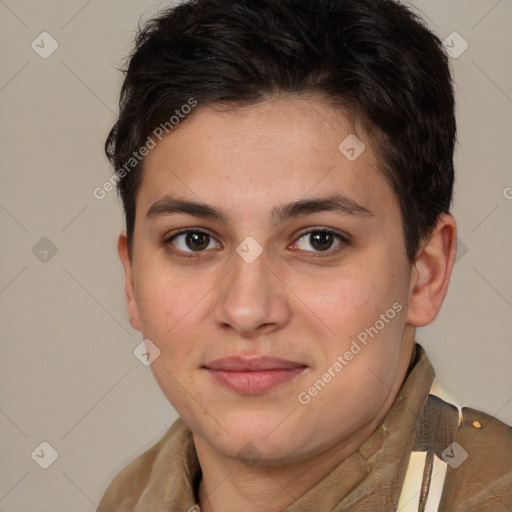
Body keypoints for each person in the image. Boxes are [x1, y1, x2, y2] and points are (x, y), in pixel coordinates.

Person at [96, 0, 512, 510]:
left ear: (424, 273)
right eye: (195, 240)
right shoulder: (126, 498)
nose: (247, 310)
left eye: (319, 239)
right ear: (133, 279)